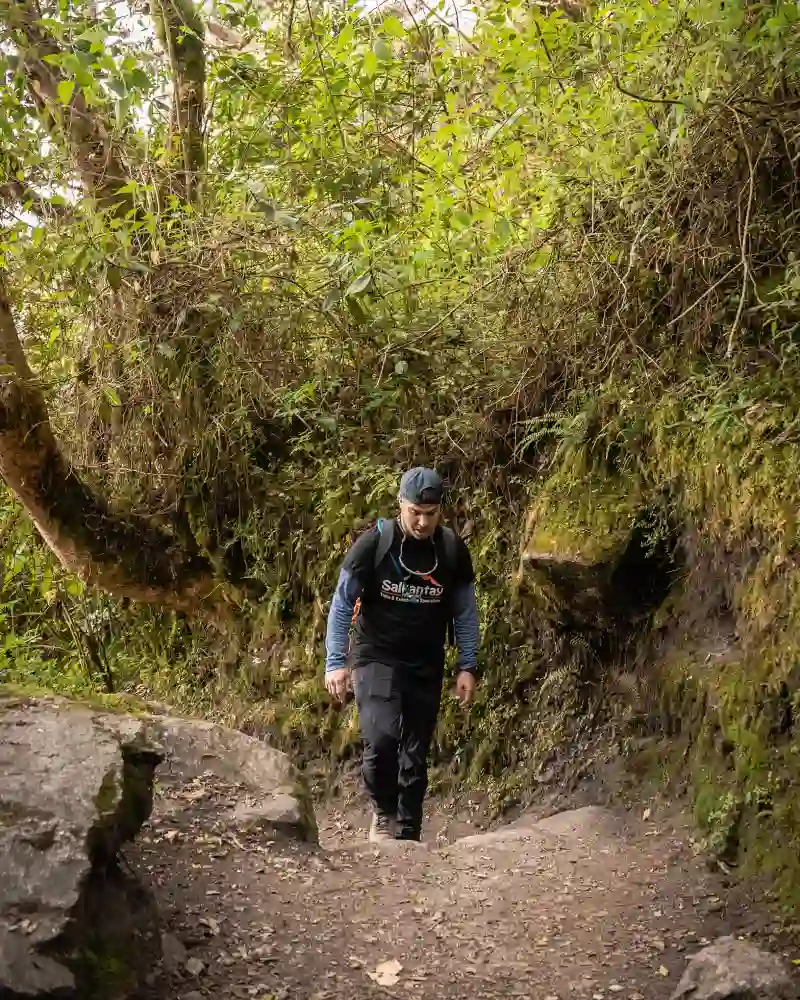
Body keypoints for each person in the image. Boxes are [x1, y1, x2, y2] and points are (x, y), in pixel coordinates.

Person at [324, 467, 480, 843]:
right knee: (381, 740)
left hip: (425, 660)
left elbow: (465, 611)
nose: (423, 521)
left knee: (415, 752)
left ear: (440, 510)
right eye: (415, 512)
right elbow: (343, 602)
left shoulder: (452, 550)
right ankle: (384, 811)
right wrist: (335, 662)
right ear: (401, 506)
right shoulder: (374, 544)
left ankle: (408, 832)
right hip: (375, 654)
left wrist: (467, 665)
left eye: (430, 513)